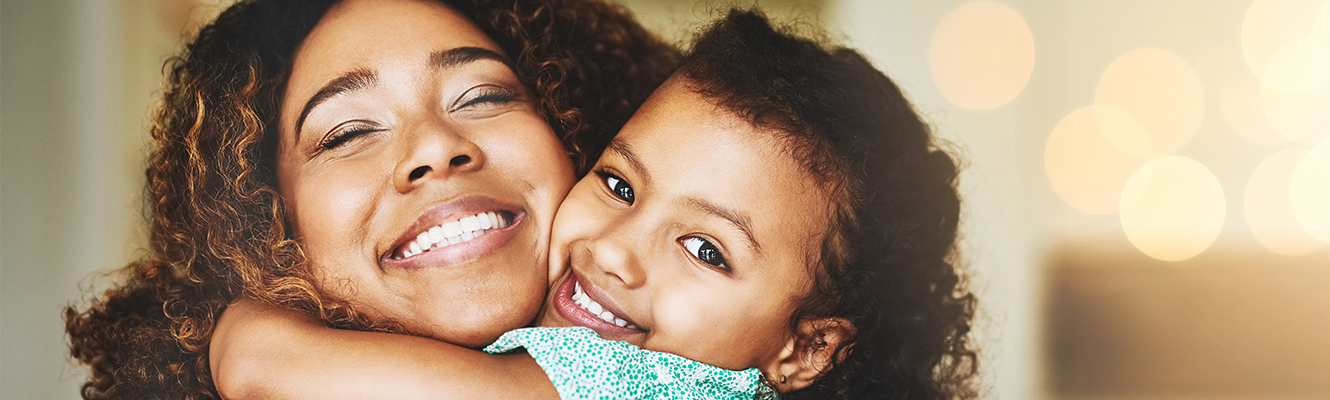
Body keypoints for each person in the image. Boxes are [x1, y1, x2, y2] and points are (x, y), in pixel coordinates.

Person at [213, 9, 978, 400]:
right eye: (618, 185)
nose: (612, 249)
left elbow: (261, 368)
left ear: (805, 350)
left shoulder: (641, 382)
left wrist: (246, 320)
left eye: (706, 250)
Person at [61, 0, 678, 398]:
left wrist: (255, 346)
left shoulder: (714, 369)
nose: (435, 147)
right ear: (269, 228)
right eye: (349, 133)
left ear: (577, 135)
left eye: (483, 95)